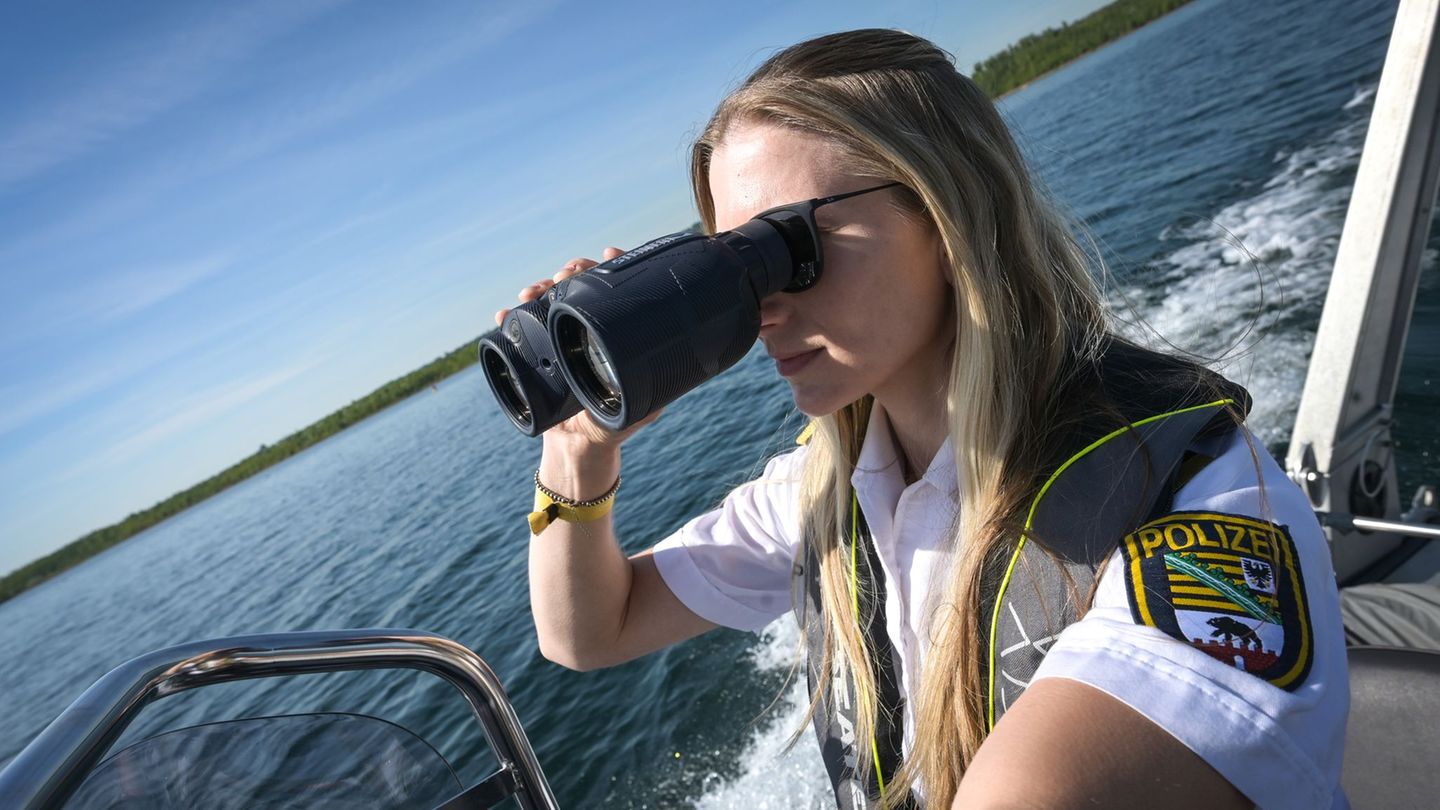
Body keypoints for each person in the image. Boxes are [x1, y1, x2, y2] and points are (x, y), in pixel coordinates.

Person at [509, 29, 1348, 809]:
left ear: (949, 215)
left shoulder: (1191, 490)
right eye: (728, 266)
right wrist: (578, 445)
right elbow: (588, 632)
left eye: (785, 248)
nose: (759, 308)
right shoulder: (822, 491)